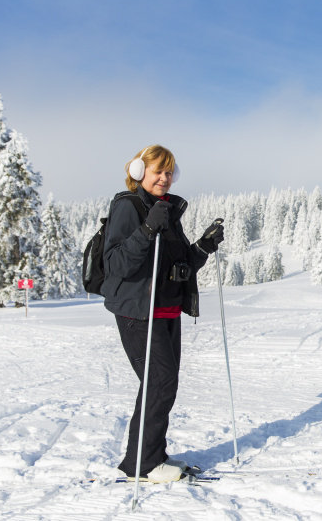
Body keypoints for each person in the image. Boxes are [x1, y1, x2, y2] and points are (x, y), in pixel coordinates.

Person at [102, 145, 224, 482]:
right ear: (141, 172)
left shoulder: (167, 210)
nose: (165, 178)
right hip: (138, 310)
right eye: (158, 171)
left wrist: (203, 247)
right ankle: (142, 464)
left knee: (162, 384)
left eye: (170, 172)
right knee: (159, 380)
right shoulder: (128, 206)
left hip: (167, 310)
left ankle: (150, 456)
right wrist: (146, 230)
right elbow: (115, 263)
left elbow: (179, 264)